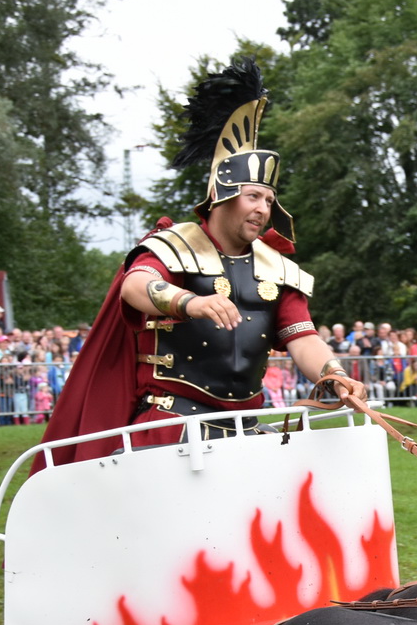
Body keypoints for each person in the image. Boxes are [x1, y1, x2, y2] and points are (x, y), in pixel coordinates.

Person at [40, 58, 363, 468]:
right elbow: (134, 287)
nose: (263, 209)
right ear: (222, 196)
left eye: (268, 200)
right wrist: (191, 303)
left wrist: (334, 374)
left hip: (248, 430)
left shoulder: (276, 268)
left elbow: (302, 338)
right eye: (253, 197)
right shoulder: (172, 246)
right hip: (169, 427)